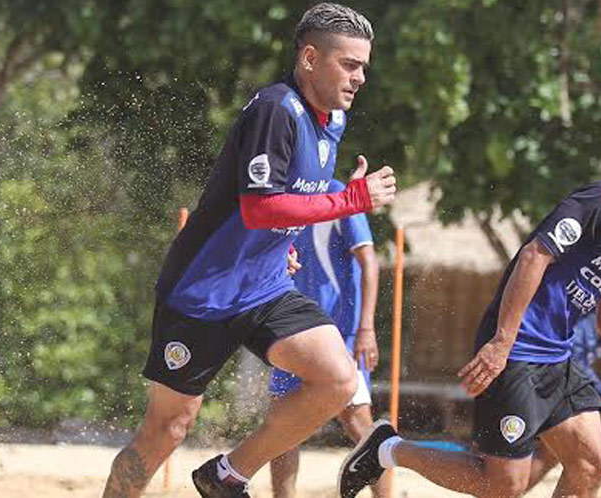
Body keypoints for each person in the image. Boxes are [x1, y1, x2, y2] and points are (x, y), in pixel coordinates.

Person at [100, 4, 397, 498]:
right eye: (350, 64)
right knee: (167, 432)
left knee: (339, 380)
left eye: (364, 65)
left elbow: (295, 198)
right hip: (203, 293)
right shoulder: (274, 109)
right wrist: (351, 200)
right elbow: (261, 207)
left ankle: (227, 475)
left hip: (265, 288)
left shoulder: (334, 120)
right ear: (308, 58)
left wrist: (284, 246)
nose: (361, 77)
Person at [338, 175, 601, 498]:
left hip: (558, 359)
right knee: (503, 487)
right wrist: (502, 342)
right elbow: (534, 255)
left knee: (591, 466)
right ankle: (388, 448)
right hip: (518, 349)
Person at [268, 180, 386, 498]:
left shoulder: (338, 192)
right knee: (283, 422)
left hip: (340, 333)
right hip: (293, 331)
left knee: (358, 423)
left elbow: (369, 262)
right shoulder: (281, 198)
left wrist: (365, 328)